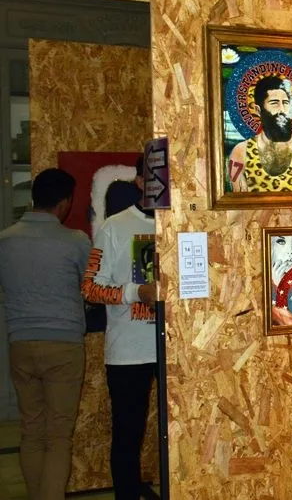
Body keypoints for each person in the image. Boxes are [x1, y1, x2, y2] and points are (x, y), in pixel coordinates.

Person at [0, 168, 91, 500]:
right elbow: (90, 288)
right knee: (58, 437)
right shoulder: (76, 241)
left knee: (31, 431)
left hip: (20, 344)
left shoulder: (5, 240)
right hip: (64, 347)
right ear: (65, 203)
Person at [81, 155, 157, 500]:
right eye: (153, 177)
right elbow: (90, 288)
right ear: (139, 181)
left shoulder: (186, 222)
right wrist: (135, 292)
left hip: (179, 348)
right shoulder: (115, 226)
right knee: (128, 432)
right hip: (129, 351)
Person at [227, 76, 292, 192]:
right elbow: (239, 199)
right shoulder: (240, 152)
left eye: (285, 103)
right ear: (258, 110)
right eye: (274, 103)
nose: (282, 109)